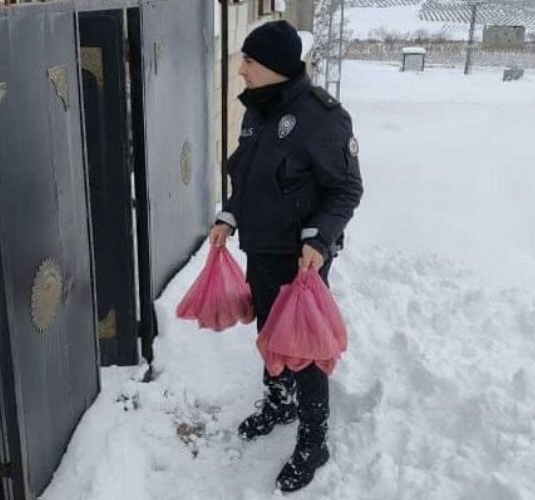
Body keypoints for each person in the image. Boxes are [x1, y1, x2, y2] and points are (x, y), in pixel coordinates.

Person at [208, 20, 363, 492]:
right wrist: (230, 216)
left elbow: (346, 189)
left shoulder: (322, 118)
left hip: (302, 260)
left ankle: (314, 440)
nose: (241, 71)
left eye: (248, 62)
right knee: (269, 334)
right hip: (261, 248)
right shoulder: (258, 110)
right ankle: (279, 403)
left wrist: (318, 242)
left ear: (274, 66)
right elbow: (249, 176)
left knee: (303, 348)